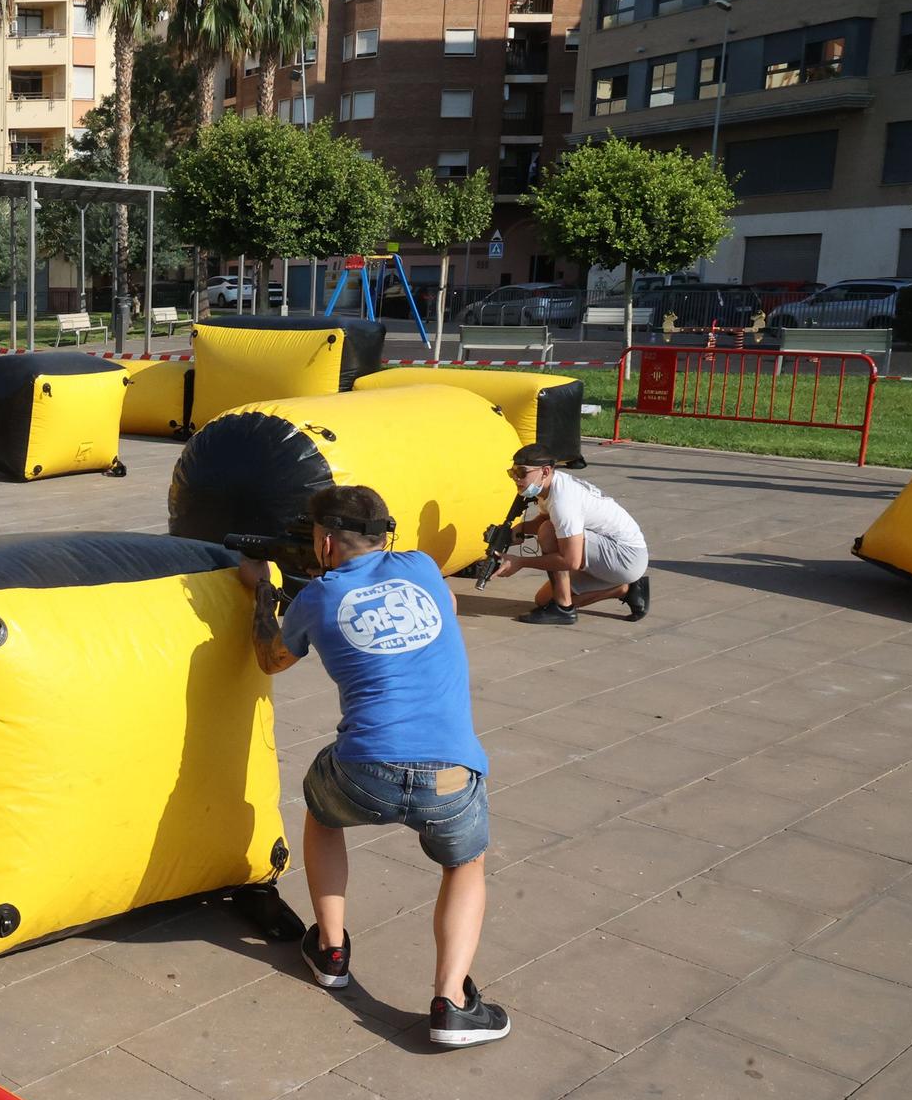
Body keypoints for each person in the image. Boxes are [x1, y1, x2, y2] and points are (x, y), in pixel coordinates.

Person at [240, 485, 511, 1048]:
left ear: (324, 541)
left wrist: (263, 593)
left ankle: (331, 949)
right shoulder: (424, 568)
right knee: (465, 864)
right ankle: (452, 1002)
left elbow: (271, 657)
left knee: (323, 810)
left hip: (364, 771)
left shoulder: (317, 596)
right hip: (452, 775)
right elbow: (450, 608)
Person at [493, 443, 650, 626]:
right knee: (542, 600)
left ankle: (563, 609)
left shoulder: (563, 500)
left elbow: (570, 560)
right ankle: (626, 589)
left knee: (548, 532)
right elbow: (545, 520)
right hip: (613, 553)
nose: (516, 479)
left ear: (544, 471)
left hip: (626, 556)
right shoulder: (550, 486)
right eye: (512, 473)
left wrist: (520, 562)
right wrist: (516, 531)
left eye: (521, 473)